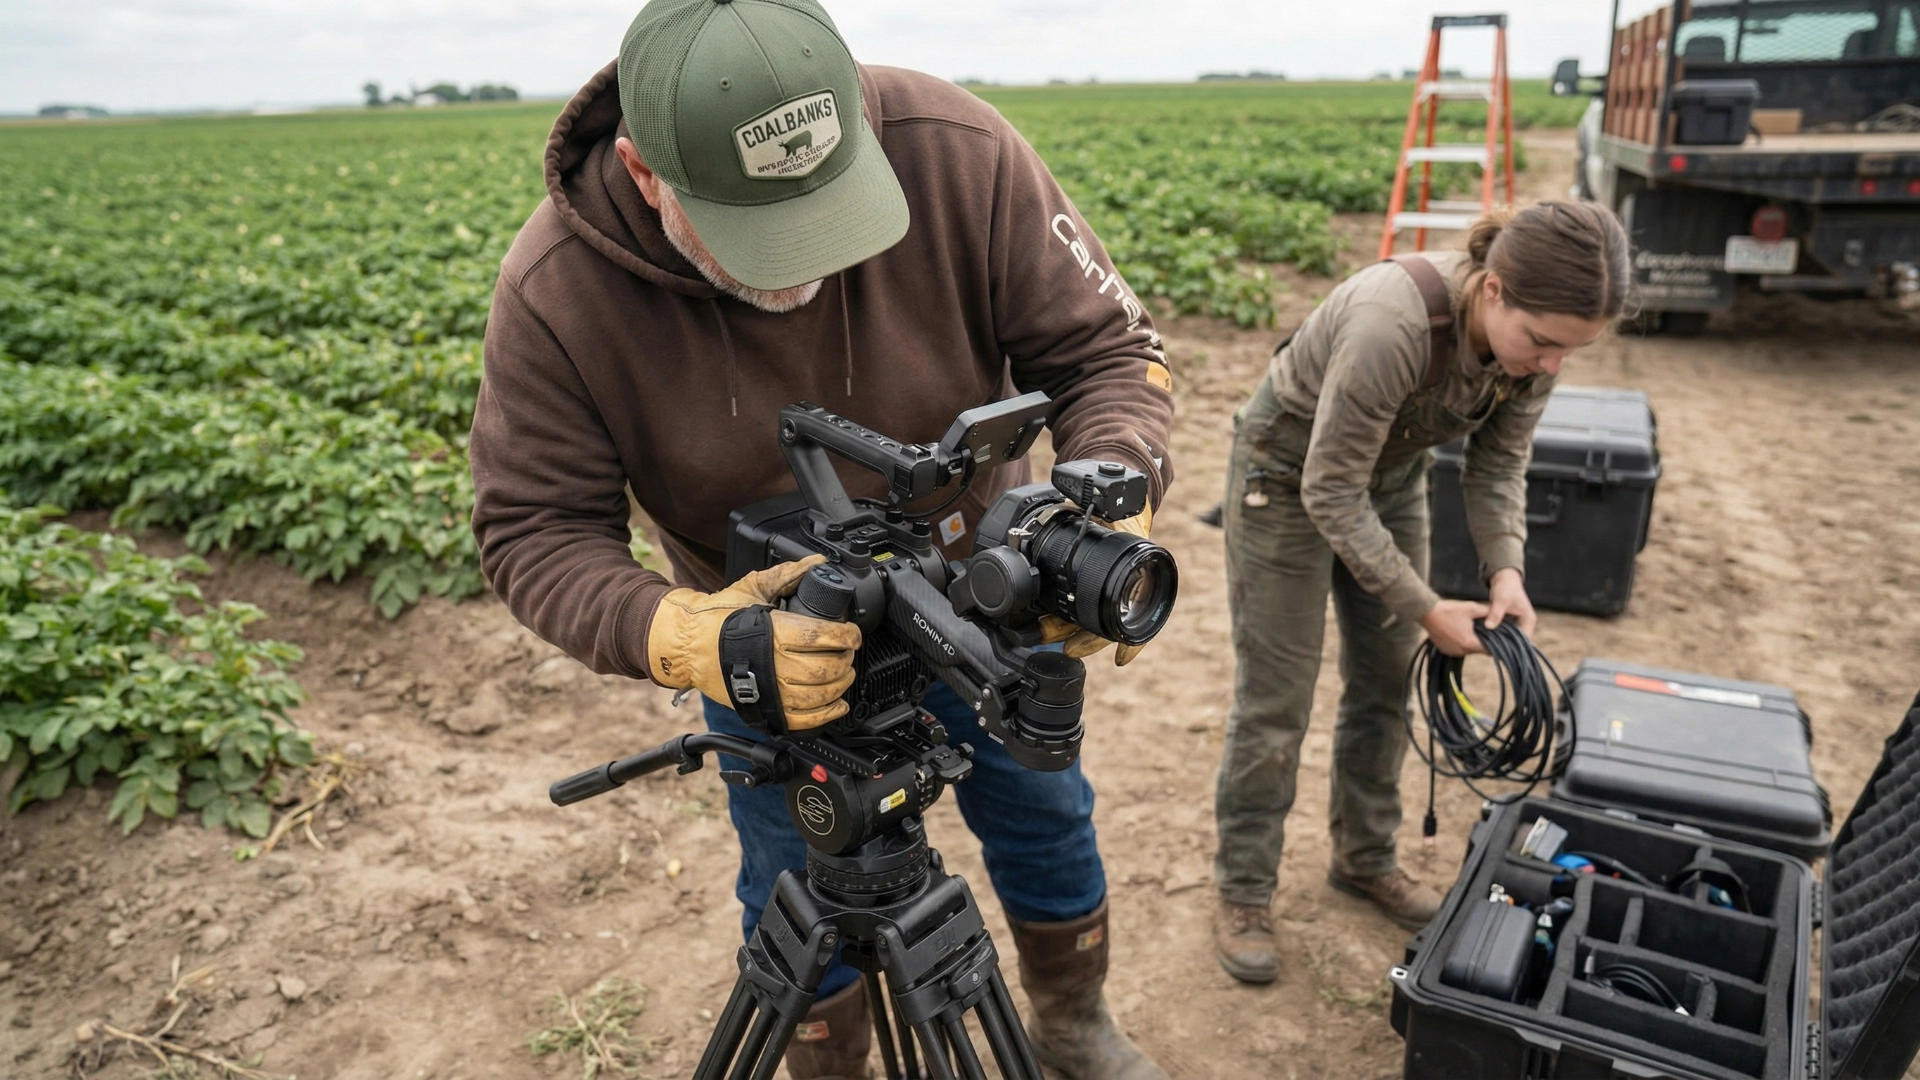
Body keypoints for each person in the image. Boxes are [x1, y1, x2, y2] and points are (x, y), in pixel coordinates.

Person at [467, 1, 1177, 1076]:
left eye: (827, 209)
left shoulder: (958, 153)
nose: (802, 265)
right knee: (794, 879)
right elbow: (533, 530)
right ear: (645, 172)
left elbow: (1110, 355)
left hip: (989, 591)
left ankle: (1073, 1023)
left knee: (1043, 806)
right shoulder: (557, 292)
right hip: (773, 648)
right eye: (760, 232)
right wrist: (689, 637)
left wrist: (1106, 498)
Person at [1210, 202, 1630, 984]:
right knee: (1277, 699)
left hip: (1391, 478)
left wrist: (1506, 569)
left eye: (1571, 351)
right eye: (1542, 342)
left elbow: (1498, 466)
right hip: (1287, 476)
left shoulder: (1536, 352)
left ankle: (1364, 858)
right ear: (1494, 290)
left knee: (1384, 684)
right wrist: (1428, 607)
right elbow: (1329, 491)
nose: (1551, 366)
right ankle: (1243, 891)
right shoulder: (1391, 324)